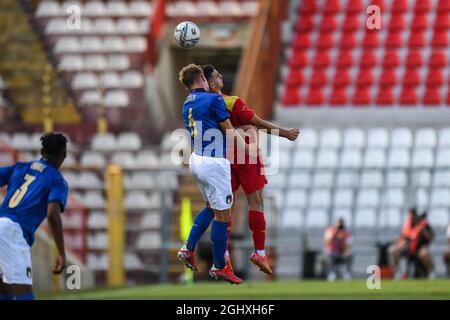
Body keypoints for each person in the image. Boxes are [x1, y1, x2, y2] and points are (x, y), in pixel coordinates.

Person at [190, 64, 299, 275]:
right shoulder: (231, 102)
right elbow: (257, 122)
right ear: (212, 83)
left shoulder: (203, 106)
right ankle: (259, 252)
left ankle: (220, 255)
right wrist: (285, 133)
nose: (222, 77)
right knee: (256, 201)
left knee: (219, 207)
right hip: (245, 155)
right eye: (218, 76)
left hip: (220, 159)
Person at [176, 64, 250, 284]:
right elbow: (228, 129)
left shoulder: (186, 104)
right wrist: (246, 149)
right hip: (214, 163)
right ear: (201, 78)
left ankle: (188, 248)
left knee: (211, 208)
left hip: (196, 161)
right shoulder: (213, 100)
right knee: (224, 216)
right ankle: (220, 265)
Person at [0, 133, 68, 300]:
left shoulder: (20, 167)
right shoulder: (57, 180)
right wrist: (61, 253)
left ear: (41, 151)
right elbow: (52, 215)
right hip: (13, 233)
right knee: (23, 293)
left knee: (5, 288)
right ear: (64, 154)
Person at [390, 208, 435, 279]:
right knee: (394, 250)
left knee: (424, 253)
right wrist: (399, 242)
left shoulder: (424, 225)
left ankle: (431, 273)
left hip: (419, 247)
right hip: (407, 247)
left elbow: (431, 237)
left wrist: (423, 231)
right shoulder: (407, 224)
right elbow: (403, 237)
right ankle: (397, 273)